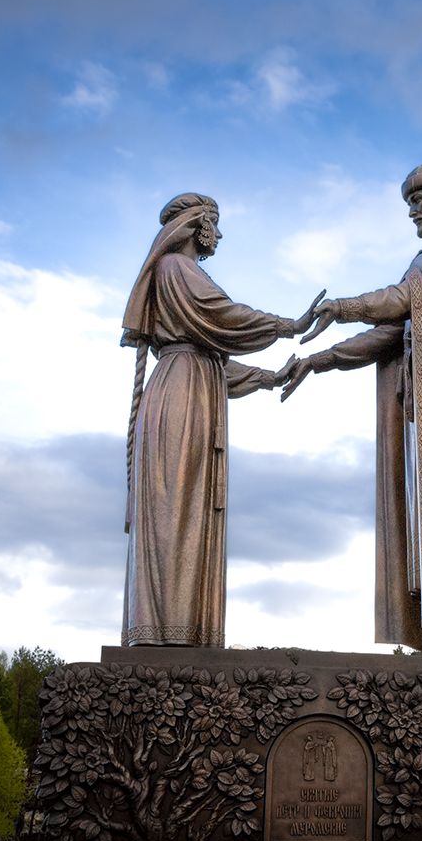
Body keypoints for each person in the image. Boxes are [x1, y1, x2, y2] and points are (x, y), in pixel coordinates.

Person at [281, 163, 422, 656]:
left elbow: (400, 300)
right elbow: (389, 334)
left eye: (417, 201)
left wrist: (342, 305)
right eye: (409, 203)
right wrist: (319, 360)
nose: (412, 212)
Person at [120, 192, 311, 647]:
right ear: (197, 224)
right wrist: (288, 324)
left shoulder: (185, 292)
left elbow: (215, 361)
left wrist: (269, 376)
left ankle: (184, 632)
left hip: (191, 388)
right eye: (216, 224)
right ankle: (164, 634)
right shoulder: (176, 269)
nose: (220, 234)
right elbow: (222, 317)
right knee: (175, 510)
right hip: (179, 400)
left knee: (189, 508)